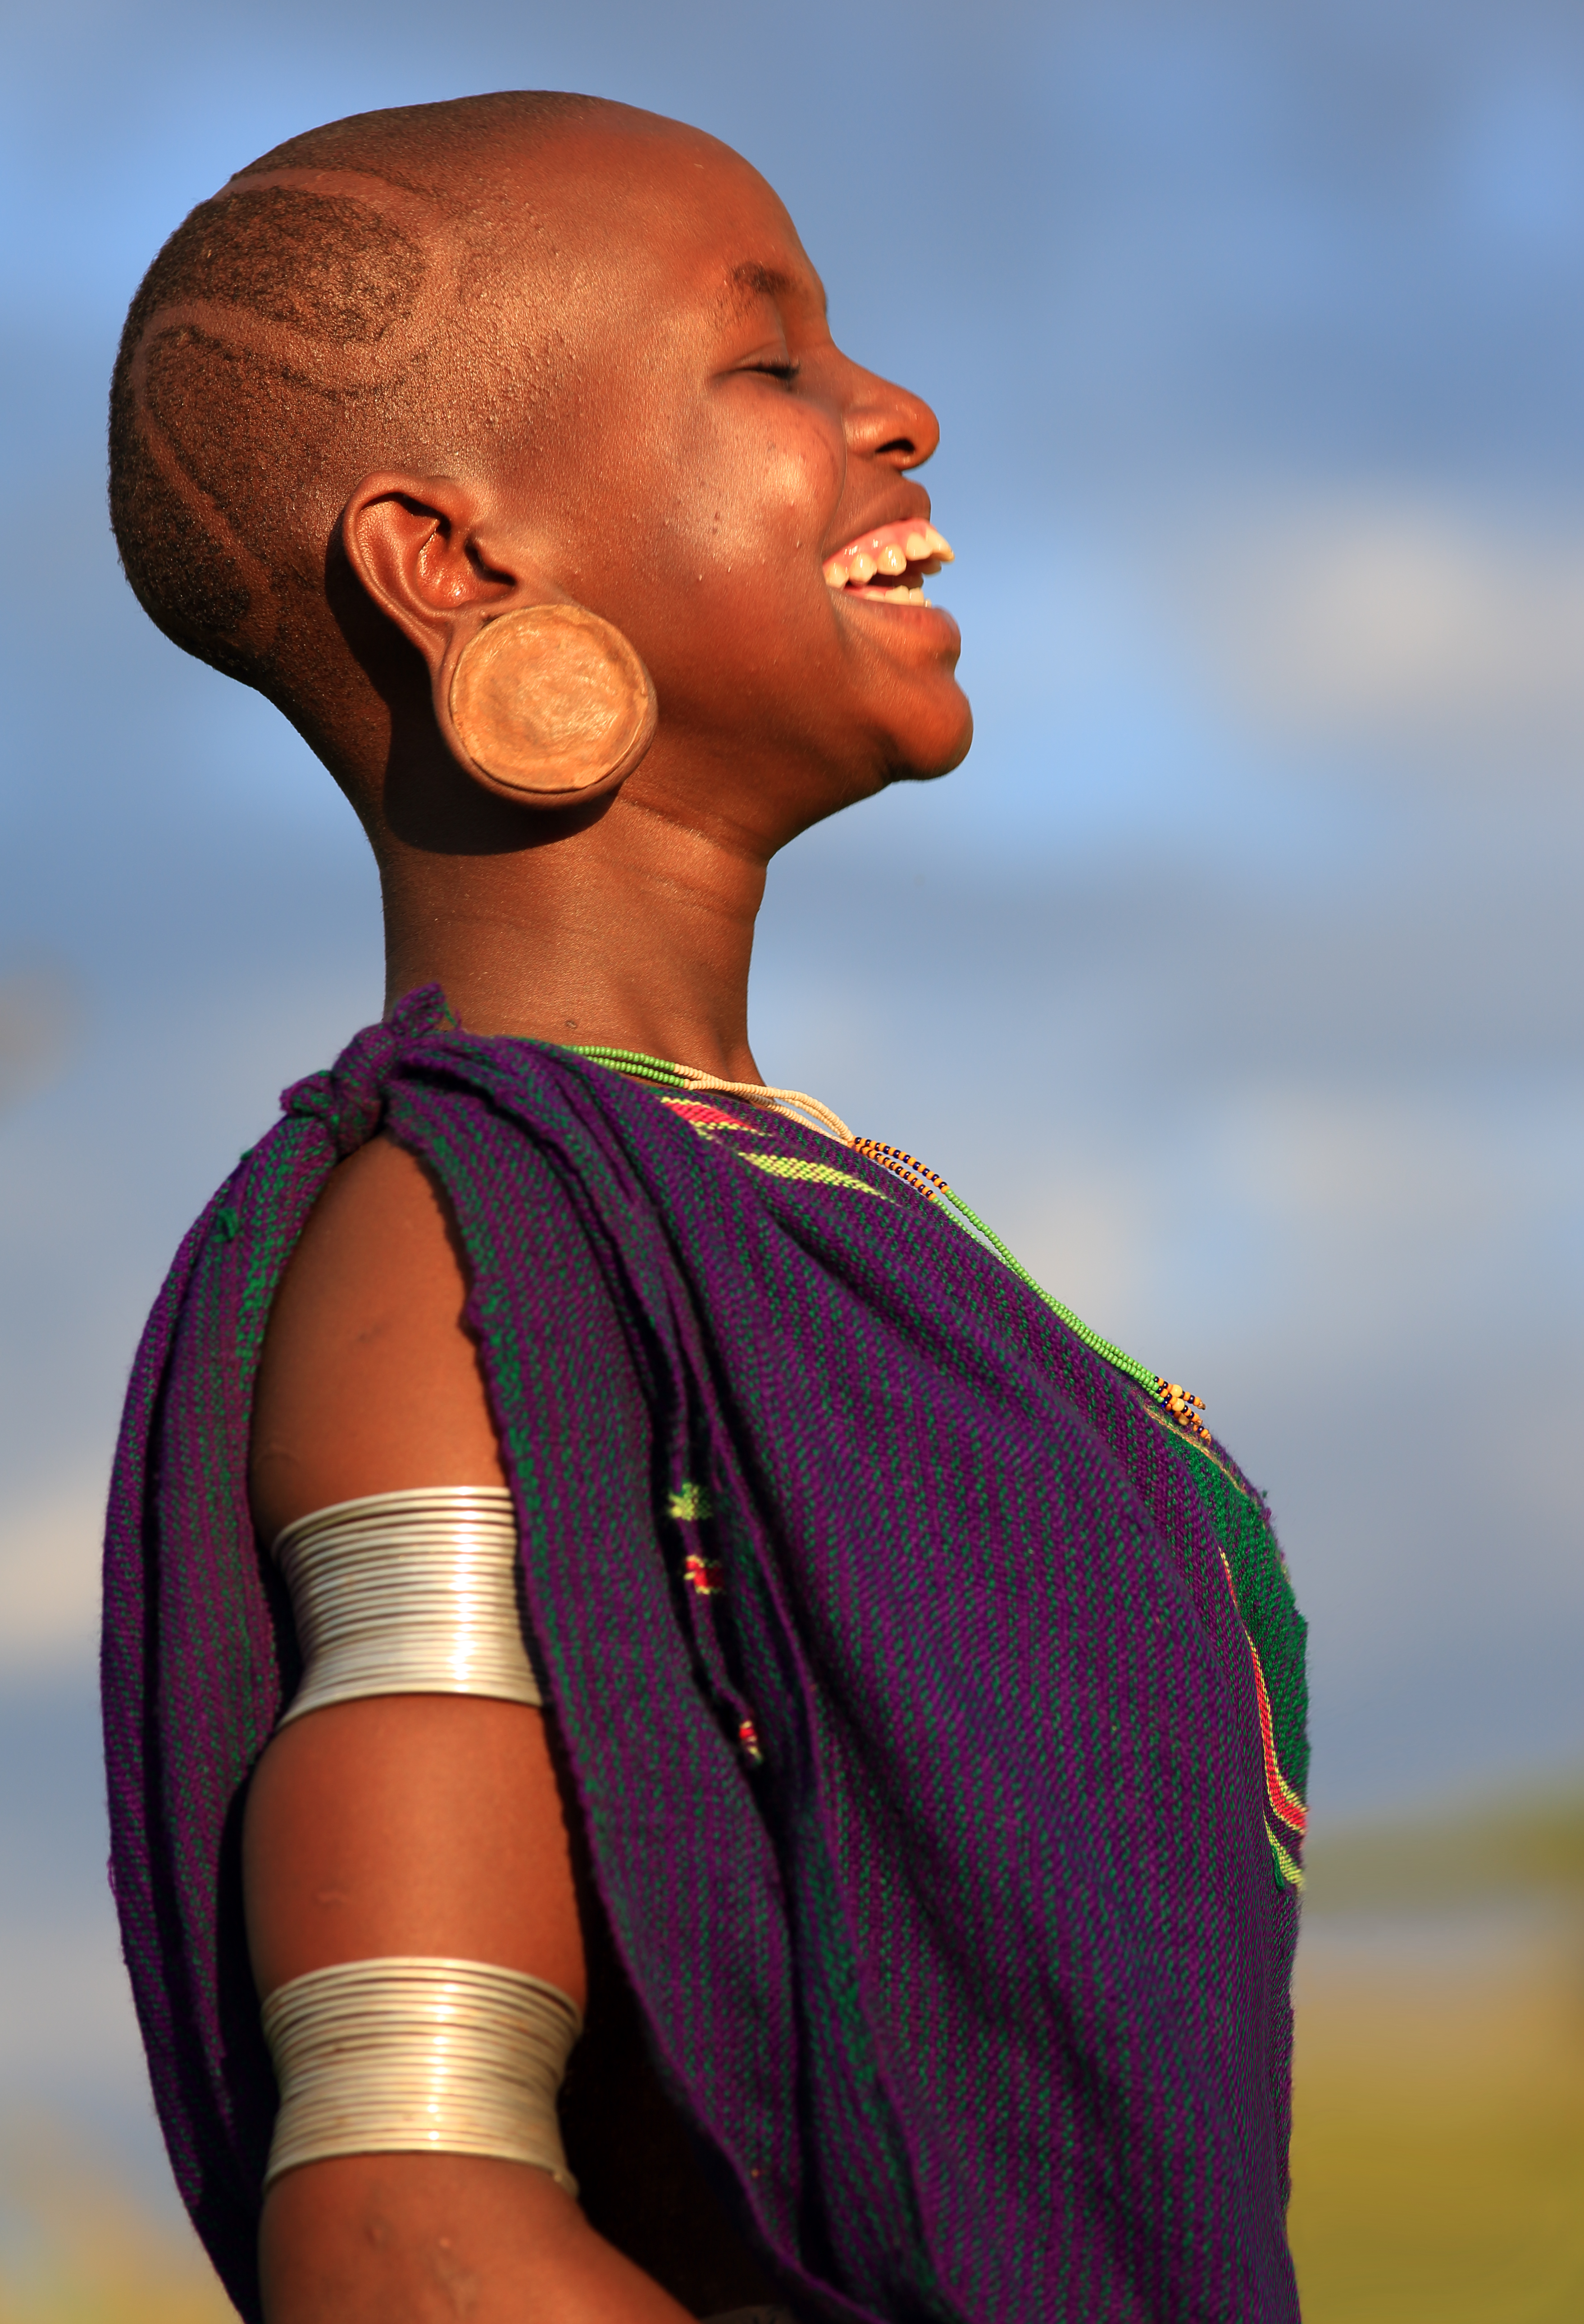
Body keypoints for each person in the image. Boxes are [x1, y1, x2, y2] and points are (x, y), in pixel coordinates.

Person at [101, 91, 1308, 2324]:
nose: (897, 411)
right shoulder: (470, 1243)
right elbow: (402, 2226)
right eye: (770, 360)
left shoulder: (750, 1206)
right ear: (457, 564)